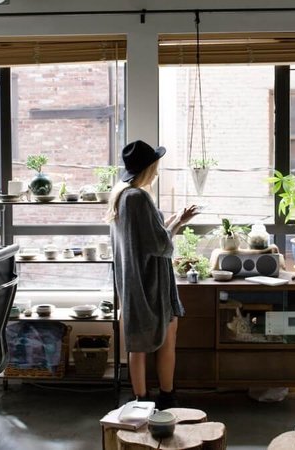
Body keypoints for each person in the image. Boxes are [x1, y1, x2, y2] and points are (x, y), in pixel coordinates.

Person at [107, 140, 199, 409]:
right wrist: (177, 225)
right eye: (155, 166)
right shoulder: (139, 198)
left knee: (137, 342)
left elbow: (148, 237)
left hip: (134, 283)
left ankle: (141, 401)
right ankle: (166, 398)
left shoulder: (122, 196)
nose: (157, 171)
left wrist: (175, 220)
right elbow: (160, 245)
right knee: (166, 338)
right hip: (152, 284)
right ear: (148, 168)